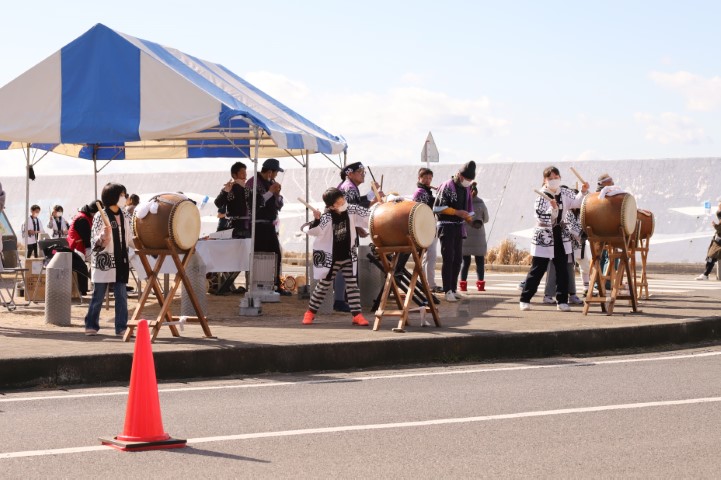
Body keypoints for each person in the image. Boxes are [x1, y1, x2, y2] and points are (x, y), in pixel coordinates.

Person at [520, 166, 589, 312]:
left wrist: (583, 191)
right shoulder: (541, 195)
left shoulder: (564, 192)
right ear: (545, 180)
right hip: (544, 234)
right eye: (550, 178)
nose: (553, 180)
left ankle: (562, 300)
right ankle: (525, 298)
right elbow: (540, 215)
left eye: (555, 177)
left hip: (560, 234)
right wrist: (552, 209)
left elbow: (576, 203)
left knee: (563, 268)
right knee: (538, 269)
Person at [301, 187, 372, 326]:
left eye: (343, 198)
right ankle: (309, 313)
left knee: (352, 286)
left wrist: (381, 209)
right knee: (323, 287)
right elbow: (309, 229)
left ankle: (357, 315)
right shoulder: (326, 218)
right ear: (332, 205)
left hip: (347, 254)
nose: (344, 201)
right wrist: (316, 220)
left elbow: (369, 215)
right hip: (331, 258)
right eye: (340, 201)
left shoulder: (351, 210)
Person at [84, 184, 134, 336]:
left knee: (121, 295)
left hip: (121, 260)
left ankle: (121, 327)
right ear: (114, 196)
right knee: (98, 294)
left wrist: (144, 247)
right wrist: (103, 237)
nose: (125, 198)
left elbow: (130, 238)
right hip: (104, 261)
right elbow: (94, 242)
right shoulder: (101, 215)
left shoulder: (125, 215)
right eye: (123, 195)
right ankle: (91, 324)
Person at [334, 161, 384, 311]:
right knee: (345, 265)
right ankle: (339, 300)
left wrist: (370, 195)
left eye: (364, 172)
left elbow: (354, 204)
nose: (363, 174)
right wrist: (372, 200)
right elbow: (352, 210)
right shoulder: (349, 188)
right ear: (350, 173)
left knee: (345, 265)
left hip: (344, 228)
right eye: (360, 172)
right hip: (344, 230)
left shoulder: (350, 187)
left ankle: (341, 299)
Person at [433, 161, 476, 302]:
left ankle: (453, 288)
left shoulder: (466, 189)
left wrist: (471, 220)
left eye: (471, 180)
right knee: (448, 258)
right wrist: (456, 212)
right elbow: (437, 207)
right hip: (446, 226)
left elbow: (467, 210)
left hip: (458, 226)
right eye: (468, 179)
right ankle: (447, 290)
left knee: (458, 259)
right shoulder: (447, 186)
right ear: (460, 175)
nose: (469, 182)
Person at [246, 158, 289, 295]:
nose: (276, 176)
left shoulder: (270, 183)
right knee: (258, 255)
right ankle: (256, 284)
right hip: (257, 226)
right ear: (270, 172)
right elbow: (254, 203)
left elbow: (279, 205)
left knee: (276, 254)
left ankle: (276, 284)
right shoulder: (253, 183)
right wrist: (270, 191)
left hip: (269, 225)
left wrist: (277, 194)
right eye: (276, 172)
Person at [412, 168, 442, 293]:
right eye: (425, 178)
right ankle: (429, 284)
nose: (428, 180)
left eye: (430, 178)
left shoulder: (427, 191)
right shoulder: (420, 192)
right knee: (430, 256)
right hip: (425, 228)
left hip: (429, 227)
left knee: (429, 257)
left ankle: (428, 283)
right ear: (419, 178)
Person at [460, 182, 489, 292]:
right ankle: (480, 286)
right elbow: (486, 219)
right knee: (480, 261)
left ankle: (463, 285)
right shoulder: (481, 203)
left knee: (465, 262)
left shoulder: (463, 203)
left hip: (465, 235)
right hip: (478, 235)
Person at [214, 161, 250, 238]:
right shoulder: (231, 189)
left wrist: (245, 187)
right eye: (242, 173)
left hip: (248, 225)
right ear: (234, 175)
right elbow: (218, 203)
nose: (245, 176)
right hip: (235, 226)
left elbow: (257, 200)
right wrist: (225, 191)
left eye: (245, 174)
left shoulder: (248, 188)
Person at [695, 201, 721, 280]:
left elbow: (720, 228)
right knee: (711, 257)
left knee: (711, 257)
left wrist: (715, 225)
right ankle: (705, 274)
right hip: (717, 241)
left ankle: (705, 274)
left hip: (719, 242)